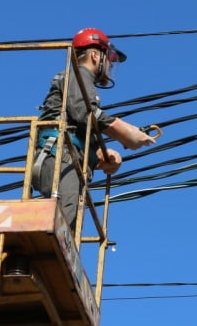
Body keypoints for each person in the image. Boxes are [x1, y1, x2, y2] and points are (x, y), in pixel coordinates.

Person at [31, 27, 156, 240]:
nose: (109, 66)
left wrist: (100, 154)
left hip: (64, 157)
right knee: (61, 218)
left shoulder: (79, 80)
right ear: (95, 54)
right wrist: (126, 132)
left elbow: (78, 128)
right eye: (109, 59)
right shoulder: (79, 76)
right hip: (59, 156)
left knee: (65, 221)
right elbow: (84, 113)